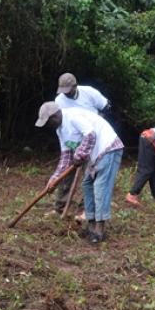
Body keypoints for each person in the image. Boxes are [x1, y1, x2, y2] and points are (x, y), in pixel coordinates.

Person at [35, 102, 123, 244]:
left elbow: (90, 135)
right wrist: (54, 179)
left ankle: (100, 230)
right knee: (87, 185)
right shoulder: (60, 130)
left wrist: (80, 155)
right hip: (93, 155)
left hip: (108, 148)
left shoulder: (73, 117)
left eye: (48, 122)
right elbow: (66, 156)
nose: (48, 125)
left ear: (55, 116)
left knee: (100, 188)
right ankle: (91, 224)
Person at [51, 73, 111, 218]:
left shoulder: (90, 93)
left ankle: (86, 210)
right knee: (67, 175)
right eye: (63, 91)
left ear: (75, 86)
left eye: (68, 90)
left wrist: (97, 121)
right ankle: (60, 207)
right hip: (73, 139)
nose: (66, 94)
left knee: (90, 175)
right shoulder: (59, 101)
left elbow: (107, 106)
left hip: (93, 137)